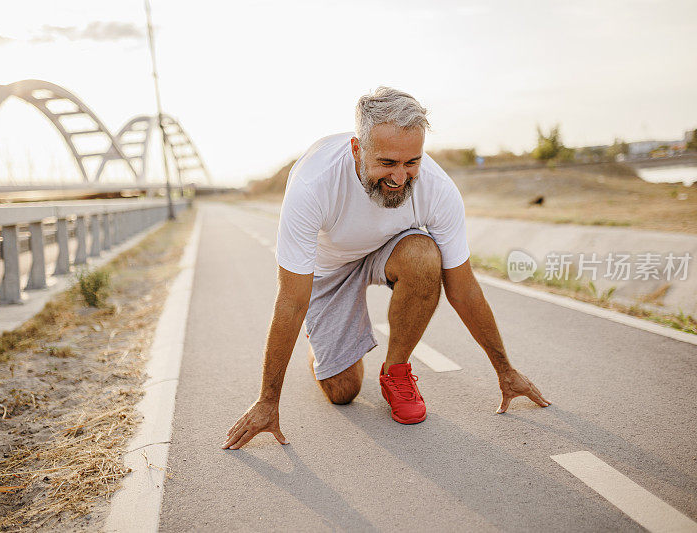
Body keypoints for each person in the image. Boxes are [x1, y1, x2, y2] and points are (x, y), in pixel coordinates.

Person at [223, 87, 549, 450]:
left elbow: (463, 287)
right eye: (388, 163)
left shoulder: (437, 189)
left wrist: (505, 369)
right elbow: (292, 298)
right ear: (357, 150)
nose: (400, 178)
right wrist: (269, 400)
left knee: (426, 255)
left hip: (392, 251)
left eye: (412, 162)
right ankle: (322, 349)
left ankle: (396, 371)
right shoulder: (313, 183)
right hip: (330, 270)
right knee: (344, 391)